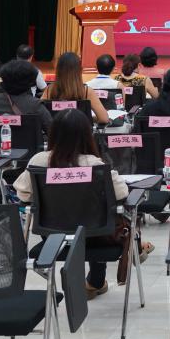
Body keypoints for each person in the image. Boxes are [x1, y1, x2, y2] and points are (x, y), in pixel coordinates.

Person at [14, 109, 150, 299]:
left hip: (53, 239)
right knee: (99, 213)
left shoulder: (38, 161)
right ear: (87, 135)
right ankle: (99, 277)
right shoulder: (94, 164)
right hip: (95, 237)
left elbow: (23, 192)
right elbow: (121, 192)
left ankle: (96, 281)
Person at [0, 59, 53, 136]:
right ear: (30, 81)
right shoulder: (36, 105)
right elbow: (52, 132)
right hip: (30, 143)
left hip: (0, 143)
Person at [42, 51, 109, 124]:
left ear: (58, 70)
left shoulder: (49, 90)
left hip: (57, 130)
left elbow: (39, 115)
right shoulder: (87, 91)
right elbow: (104, 119)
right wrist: (88, 118)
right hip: (81, 130)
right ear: (79, 70)